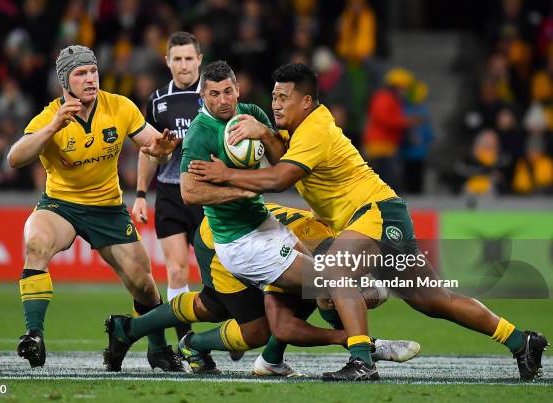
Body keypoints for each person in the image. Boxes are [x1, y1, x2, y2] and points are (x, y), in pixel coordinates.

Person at [187, 63, 549, 382]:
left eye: (284, 97)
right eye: (274, 97)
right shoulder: (300, 129)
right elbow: (282, 158)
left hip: (373, 213)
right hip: (383, 214)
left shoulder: (315, 129)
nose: (276, 104)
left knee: (335, 270)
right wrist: (266, 133)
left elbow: (280, 179)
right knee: (434, 299)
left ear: (307, 102)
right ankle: (521, 341)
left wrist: (225, 174)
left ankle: (361, 360)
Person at [6, 45, 183, 372]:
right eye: (80, 74)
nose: (90, 79)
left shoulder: (119, 106)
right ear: (65, 83)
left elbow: (155, 145)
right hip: (61, 205)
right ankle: (34, 335)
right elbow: (15, 158)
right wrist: (52, 128)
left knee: (144, 284)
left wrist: (161, 150)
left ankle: (158, 350)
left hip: (107, 208)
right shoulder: (50, 117)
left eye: (93, 71)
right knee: (35, 243)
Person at [103, 203, 421, 374]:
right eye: (340, 310)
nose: (342, 313)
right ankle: (191, 343)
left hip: (245, 237)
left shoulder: (326, 263)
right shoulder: (305, 266)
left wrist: (356, 337)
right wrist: (355, 341)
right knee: (255, 328)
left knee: (212, 306)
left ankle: (129, 329)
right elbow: (282, 328)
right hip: (223, 241)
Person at [132, 32, 204, 341]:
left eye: (189, 58)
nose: (184, 65)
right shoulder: (158, 101)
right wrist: (138, 194)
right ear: (168, 62)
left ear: (200, 60)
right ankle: (186, 340)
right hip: (170, 193)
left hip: (207, 193)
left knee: (221, 273)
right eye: (178, 59)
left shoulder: (215, 96)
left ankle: (237, 330)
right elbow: (148, 149)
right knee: (176, 271)